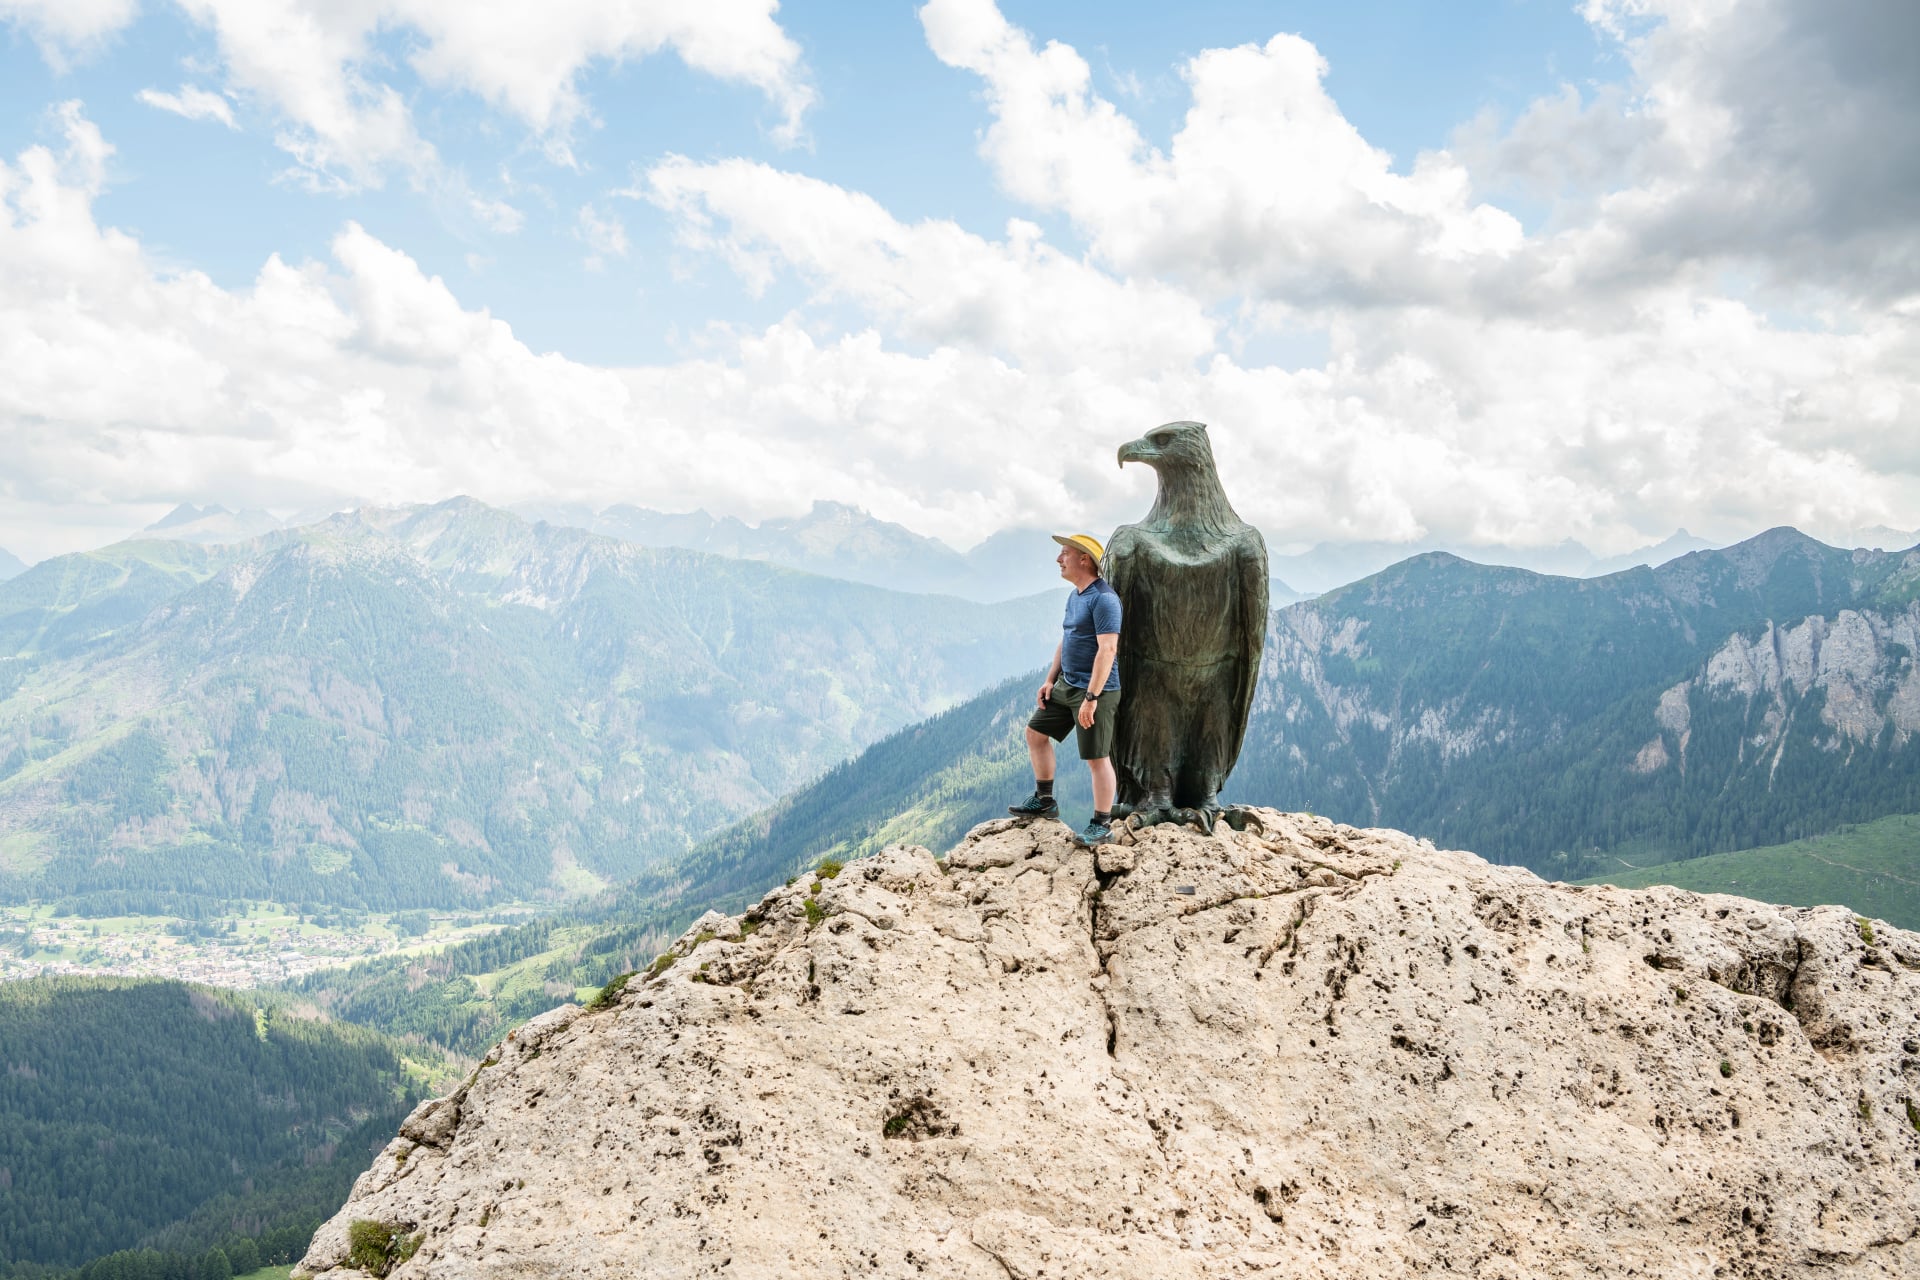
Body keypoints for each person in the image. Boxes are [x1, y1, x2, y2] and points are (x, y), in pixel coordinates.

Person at [1009, 533, 1122, 846]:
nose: (1059, 560)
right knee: (1035, 733)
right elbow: (1067, 639)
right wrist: (1050, 680)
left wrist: (1092, 698)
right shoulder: (1076, 596)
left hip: (1095, 692)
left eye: (1064, 554)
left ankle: (1102, 824)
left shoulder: (1104, 599)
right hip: (1066, 685)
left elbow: (1107, 649)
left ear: (1084, 559)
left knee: (1097, 758)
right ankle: (1045, 800)